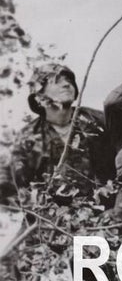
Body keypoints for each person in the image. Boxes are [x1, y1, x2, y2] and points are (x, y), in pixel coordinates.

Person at [0, 63, 112, 201]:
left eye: (70, 81)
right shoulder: (28, 137)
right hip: (53, 217)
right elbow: (16, 190)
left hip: (104, 212)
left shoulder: (95, 120)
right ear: (40, 96)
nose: (66, 85)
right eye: (56, 82)